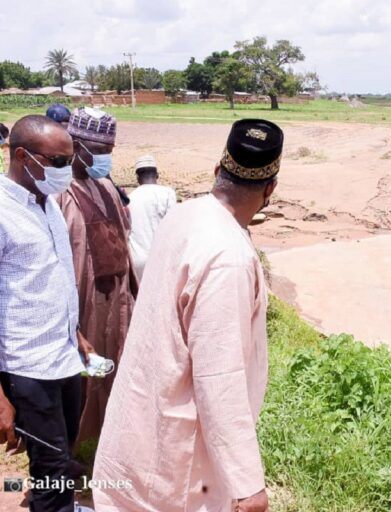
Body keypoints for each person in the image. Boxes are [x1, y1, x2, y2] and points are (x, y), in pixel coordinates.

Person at [93, 119, 283, 512]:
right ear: (270, 189)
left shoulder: (184, 216)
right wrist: (247, 485)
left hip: (143, 416)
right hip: (176, 453)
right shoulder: (227, 256)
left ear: (218, 171)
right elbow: (220, 377)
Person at [0, 115, 95, 511]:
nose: (66, 170)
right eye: (59, 161)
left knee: (61, 457)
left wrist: (76, 333)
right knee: (49, 470)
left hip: (62, 357)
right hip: (27, 367)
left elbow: (52, 279)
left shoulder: (45, 204)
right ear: (22, 156)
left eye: (71, 160)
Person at [56, 107, 136, 444]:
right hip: (81, 301)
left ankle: (108, 439)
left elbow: (124, 235)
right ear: (77, 146)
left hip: (117, 297)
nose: (105, 159)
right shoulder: (59, 193)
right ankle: (71, 445)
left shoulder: (105, 185)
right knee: (79, 375)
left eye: (109, 152)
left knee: (116, 365)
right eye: (100, 152)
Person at [128, 154, 177, 281]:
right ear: (157, 175)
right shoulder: (167, 193)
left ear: (138, 178)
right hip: (161, 258)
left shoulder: (130, 198)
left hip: (137, 260)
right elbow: (173, 227)